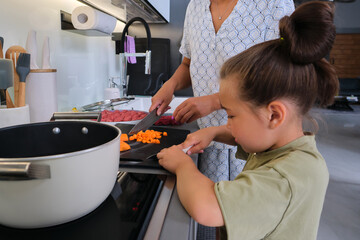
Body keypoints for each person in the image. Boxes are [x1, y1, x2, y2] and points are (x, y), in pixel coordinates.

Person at [157, 1, 338, 239]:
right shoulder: (281, 146)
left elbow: (207, 207)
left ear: (274, 114)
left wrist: (182, 166)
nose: (228, 123)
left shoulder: (286, 178)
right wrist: (212, 132)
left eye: (231, 115)